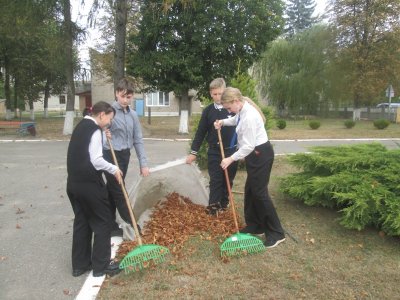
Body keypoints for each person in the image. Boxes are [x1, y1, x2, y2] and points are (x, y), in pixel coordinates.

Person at [214, 87, 286, 248]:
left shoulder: (250, 117)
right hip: (255, 154)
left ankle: (276, 233)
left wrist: (229, 159)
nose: (229, 111)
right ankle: (256, 225)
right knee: (251, 190)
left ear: (236, 101)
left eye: (228, 108)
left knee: (260, 194)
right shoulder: (242, 109)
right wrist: (223, 122)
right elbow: (235, 120)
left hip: (261, 154)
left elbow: (247, 146)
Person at [67, 101, 123, 277]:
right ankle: (102, 266)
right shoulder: (95, 131)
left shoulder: (82, 126)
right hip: (90, 185)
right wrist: (114, 169)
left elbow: (84, 150)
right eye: (109, 119)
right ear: (101, 115)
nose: (109, 122)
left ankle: (80, 265)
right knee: (103, 222)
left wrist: (102, 135)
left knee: (82, 222)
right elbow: (96, 160)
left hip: (73, 185)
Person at [103, 78, 149, 235]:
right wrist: (104, 132)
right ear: (116, 93)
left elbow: (138, 140)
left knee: (111, 191)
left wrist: (143, 163)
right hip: (110, 155)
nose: (125, 100)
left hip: (124, 156)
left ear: (133, 96)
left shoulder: (133, 115)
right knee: (119, 190)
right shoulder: (109, 112)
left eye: (128, 97)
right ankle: (133, 224)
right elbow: (99, 128)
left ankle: (109, 224)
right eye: (122, 96)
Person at [186, 78, 238, 215]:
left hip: (232, 152)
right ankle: (213, 209)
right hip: (214, 152)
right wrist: (193, 152)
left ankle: (223, 205)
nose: (217, 97)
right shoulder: (208, 111)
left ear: (225, 92)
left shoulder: (233, 109)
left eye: (220, 93)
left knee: (228, 180)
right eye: (214, 94)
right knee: (216, 180)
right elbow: (200, 132)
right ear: (210, 94)